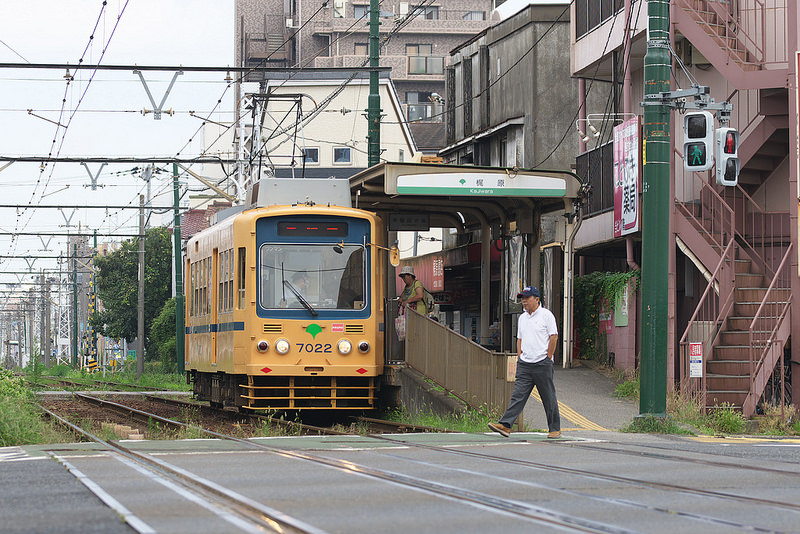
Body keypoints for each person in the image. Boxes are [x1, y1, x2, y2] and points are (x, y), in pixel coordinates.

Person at [488, 286, 561, 439]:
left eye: (527, 298)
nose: (524, 301)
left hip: (542, 363)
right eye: (522, 298)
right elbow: (519, 339)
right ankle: (506, 425)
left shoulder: (546, 315)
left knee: (548, 396)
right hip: (525, 364)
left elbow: (553, 337)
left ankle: (554, 429)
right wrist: (520, 356)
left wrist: (548, 357)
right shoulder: (522, 318)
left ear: (537, 299)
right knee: (518, 395)